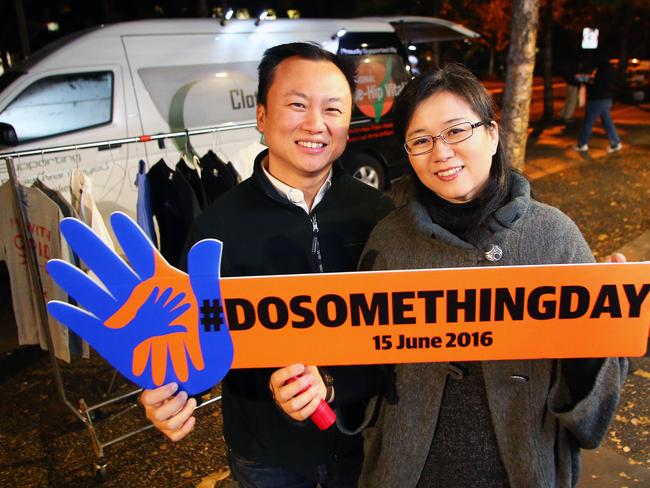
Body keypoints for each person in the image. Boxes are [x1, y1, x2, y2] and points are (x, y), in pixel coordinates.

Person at [353, 64, 627, 488]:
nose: (440, 152)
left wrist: (603, 335)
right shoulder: (389, 240)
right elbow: (359, 361)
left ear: (493, 134)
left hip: (523, 470)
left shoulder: (554, 237)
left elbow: (592, 419)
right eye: (420, 140)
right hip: (409, 472)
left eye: (456, 130)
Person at [139, 42, 394, 488]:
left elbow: (397, 329)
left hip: (367, 441)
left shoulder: (379, 215)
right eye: (297, 104)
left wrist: (337, 382)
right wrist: (175, 393)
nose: (316, 123)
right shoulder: (216, 228)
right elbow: (194, 330)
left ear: (348, 126)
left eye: (333, 109)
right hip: (266, 456)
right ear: (262, 117)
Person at [574, 52, 623, 153]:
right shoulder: (611, 69)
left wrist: (587, 82)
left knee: (588, 122)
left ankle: (582, 144)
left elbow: (597, 85)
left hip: (596, 99)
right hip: (607, 99)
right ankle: (616, 142)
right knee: (607, 122)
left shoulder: (600, 70)